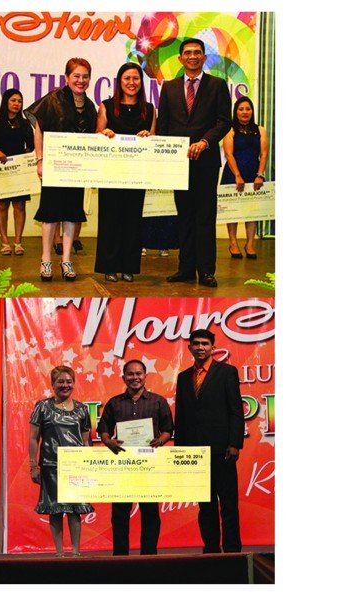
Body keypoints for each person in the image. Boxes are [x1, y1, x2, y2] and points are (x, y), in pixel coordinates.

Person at [157, 38, 232, 288]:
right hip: (178, 164)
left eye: (197, 52)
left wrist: (205, 141)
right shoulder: (169, 87)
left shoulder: (218, 85)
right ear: (180, 58)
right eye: (187, 52)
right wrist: (164, 157)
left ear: (204, 57)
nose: (192, 56)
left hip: (206, 162)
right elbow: (164, 125)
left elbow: (224, 121)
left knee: (205, 217)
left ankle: (206, 271)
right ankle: (186, 269)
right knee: (184, 217)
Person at [174, 329, 244, 553]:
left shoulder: (227, 372)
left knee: (228, 505)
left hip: (223, 450)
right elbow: (181, 416)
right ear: (189, 348)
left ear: (213, 348)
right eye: (196, 343)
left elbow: (236, 410)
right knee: (205, 506)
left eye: (205, 343)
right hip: (195, 454)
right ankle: (211, 549)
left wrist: (235, 443)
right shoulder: (183, 377)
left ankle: (232, 551)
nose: (200, 347)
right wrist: (180, 453)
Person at [96, 360, 173, 555]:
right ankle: (120, 557)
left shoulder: (158, 401)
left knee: (150, 513)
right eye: (130, 374)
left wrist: (160, 441)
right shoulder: (114, 403)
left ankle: (149, 555)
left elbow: (168, 429)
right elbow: (103, 429)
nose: (135, 377)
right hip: (123, 466)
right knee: (120, 514)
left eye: (138, 373)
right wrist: (108, 441)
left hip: (149, 465)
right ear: (124, 378)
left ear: (145, 376)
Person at [27, 58, 94, 282]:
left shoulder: (90, 106)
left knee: (72, 214)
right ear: (67, 77)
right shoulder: (53, 100)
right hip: (54, 167)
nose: (81, 80)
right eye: (76, 76)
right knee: (50, 214)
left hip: (77, 169)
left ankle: (66, 260)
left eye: (85, 76)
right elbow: (39, 130)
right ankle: (46, 258)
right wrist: (40, 160)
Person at [94, 63, 157, 282]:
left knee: (133, 220)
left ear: (141, 82)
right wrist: (104, 134)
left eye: (136, 78)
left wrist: (149, 136)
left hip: (137, 174)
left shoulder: (149, 109)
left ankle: (129, 267)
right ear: (119, 81)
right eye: (127, 78)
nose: (132, 83)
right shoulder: (106, 106)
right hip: (111, 173)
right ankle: (109, 267)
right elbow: (96, 135)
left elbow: (154, 139)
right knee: (110, 219)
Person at [28, 365, 93, 556]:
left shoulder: (82, 409)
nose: (65, 385)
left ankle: (76, 552)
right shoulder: (42, 407)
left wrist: (90, 465)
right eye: (61, 382)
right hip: (51, 466)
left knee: (75, 510)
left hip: (76, 466)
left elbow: (86, 440)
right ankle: (59, 553)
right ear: (52, 384)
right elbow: (33, 438)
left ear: (74, 383)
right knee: (55, 509)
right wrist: (33, 465)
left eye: (69, 382)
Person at [0, 88, 41, 257]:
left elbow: (32, 145)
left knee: (19, 205)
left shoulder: (25, 124)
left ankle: (18, 242)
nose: (16, 104)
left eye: (19, 101)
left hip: (19, 170)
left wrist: (24, 158)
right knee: (2, 205)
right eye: (13, 100)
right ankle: (5, 242)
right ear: (6, 101)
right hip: (2, 168)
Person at [220, 96, 269, 259]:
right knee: (232, 210)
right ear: (236, 112)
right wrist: (237, 175)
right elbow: (229, 154)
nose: (245, 112)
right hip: (233, 174)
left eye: (248, 109)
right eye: (241, 109)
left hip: (254, 174)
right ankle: (233, 243)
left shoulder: (260, 130)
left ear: (252, 111)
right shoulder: (230, 130)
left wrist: (260, 175)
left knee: (252, 210)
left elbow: (264, 154)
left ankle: (250, 244)